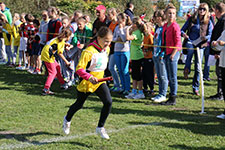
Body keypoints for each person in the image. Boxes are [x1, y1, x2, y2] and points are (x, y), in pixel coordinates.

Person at [63, 27, 113, 139]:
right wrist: (89, 77)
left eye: (109, 41)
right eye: (106, 41)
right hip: (86, 82)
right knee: (79, 105)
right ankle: (67, 119)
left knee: (108, 102)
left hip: (99, 82)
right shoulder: (88, 51)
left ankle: (100, 127)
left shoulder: (107, 50)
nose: (108, 44)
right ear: (99, 38)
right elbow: (79, 69)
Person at [181, 3, 213, 96]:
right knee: (190, 51)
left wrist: (206, 38)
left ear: (206, 11)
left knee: (198, 67)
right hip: (191, 41)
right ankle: (187, 68)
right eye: (200, 9)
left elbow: (211, 34)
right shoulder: (192, 19)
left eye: (204, 9)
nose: (201, 11)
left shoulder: (209, 21)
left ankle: (195, 87)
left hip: (201, 45)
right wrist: (184, 34)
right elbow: (182, 30)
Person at [160, 4, 182, 105]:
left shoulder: (175, 26)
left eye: (173, 13)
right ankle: (170, 95)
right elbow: (163, 40)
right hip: (166, 53)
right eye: (169, 13)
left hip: (174, 53)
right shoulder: (165, 25)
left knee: (173, 76)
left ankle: (173, 97)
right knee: (168, 75)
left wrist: (173, 54)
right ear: (165, 14)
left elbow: (178, 42)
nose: (171, 15)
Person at [41, 28, 72, 95]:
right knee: (53, 72)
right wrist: (66, 61)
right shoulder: (61, 42)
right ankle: (46, 88)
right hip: (48, 55)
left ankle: (63, 84)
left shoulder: (59, 39)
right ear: (68, 36)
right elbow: (60, 53)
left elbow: (56, 44)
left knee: (57, 67)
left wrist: (65, 44)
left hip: (46, 53)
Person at [125, 17, 147, 99]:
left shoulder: (137, 33)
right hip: (134, 57)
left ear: (135, 25)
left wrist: (127, 29)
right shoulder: (135, 31)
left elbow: (127, 38)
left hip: (138, 57)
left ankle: (140, 92)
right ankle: (134, 91)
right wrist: (130, 30)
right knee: (134, 75)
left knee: (138, 76)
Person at [208, 2, 225, 101]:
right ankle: (219, 92)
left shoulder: (223, 21)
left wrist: (218, 52)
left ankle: (221, 93)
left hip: (221, 51)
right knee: (218, 73)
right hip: (217, 49)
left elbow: (222, 38)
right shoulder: (220, 20)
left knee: (220, 74)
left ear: (217, 10)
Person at [113, 13, 132, 95]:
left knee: (124, 70)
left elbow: (124, 39)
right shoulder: (116, 27)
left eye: (118, 19)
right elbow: (113, 38)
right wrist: (117, 39)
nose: (117, 21)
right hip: (117, 50)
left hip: (125, 50)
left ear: (123, 20)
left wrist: (121, 31)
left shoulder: (127, 28)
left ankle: (127, 88)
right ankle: (122, 87)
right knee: (119, 70)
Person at [151, 10, 167, 103]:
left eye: (155, 16)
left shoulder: (163, 29)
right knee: (159, 76)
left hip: (161, 55)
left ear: (159, 18)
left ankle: (163, 94)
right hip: (155, 54)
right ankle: (160, 93)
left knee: (163, 75)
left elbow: (164, 43)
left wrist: (162, 54)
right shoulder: (157, 28)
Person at [211, 30, 225, 119]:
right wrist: (214, 44)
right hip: (223, 63)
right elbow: (218, 46)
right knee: (224, 88)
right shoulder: (224, 31)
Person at [107, 8, 121, 92]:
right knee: (111, 67)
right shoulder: (110, 23)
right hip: (110, 47)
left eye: (109, 15)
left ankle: (118, 85)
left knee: (112, 67)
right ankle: (116, 84)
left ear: (114, 14)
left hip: (116, 47)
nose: (108, 16)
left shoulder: (117, 24)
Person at [142, 22, 154, 96]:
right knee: (144, 73)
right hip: (144, 57)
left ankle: (151, 88)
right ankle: (145, 87)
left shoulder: (150, 36)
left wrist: (146, 50)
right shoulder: (145, 36)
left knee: (149, 73)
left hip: (149, 57)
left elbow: (152, 46)